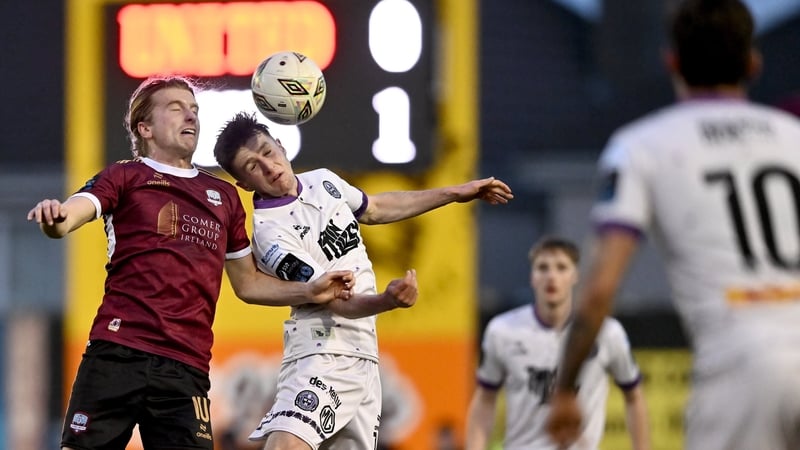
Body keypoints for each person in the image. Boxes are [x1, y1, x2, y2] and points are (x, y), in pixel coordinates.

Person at [25, 75, 370, 450]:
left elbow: (249, 284)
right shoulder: (125, 175)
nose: (190, 116)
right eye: (176, 109)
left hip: (186, 367)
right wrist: (56, 219)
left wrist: (309, 290)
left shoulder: (224, 196)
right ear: (145, 128)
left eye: (194, 110)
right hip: (118, 351)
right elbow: (74, 213)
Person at [546, 1, 800, 449]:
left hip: (739, 370)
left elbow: (599, 289)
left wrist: (566, 387)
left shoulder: (642, 146)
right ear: (753, 63)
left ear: (673, 62)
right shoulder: (792, 136)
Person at [212, 111, 514, 449]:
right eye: (252, 167)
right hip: (323, 350)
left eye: (267, 152)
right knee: (285, 445)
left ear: (280, 146)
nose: (268, 166)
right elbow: (341, 302)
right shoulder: (272, 236)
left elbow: (377, 208)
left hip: (364, 355)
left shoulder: (323, 181)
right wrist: (386, 301)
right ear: (245, 184)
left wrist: (457, 193)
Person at [466, 237, 649, 450]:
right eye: (542, 268)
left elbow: (634, 396)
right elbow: (485, 399)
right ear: (532, 277)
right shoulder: (503, 331)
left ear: (575, 275)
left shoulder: (606, 332)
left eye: (561, 267)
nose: (551, 276)